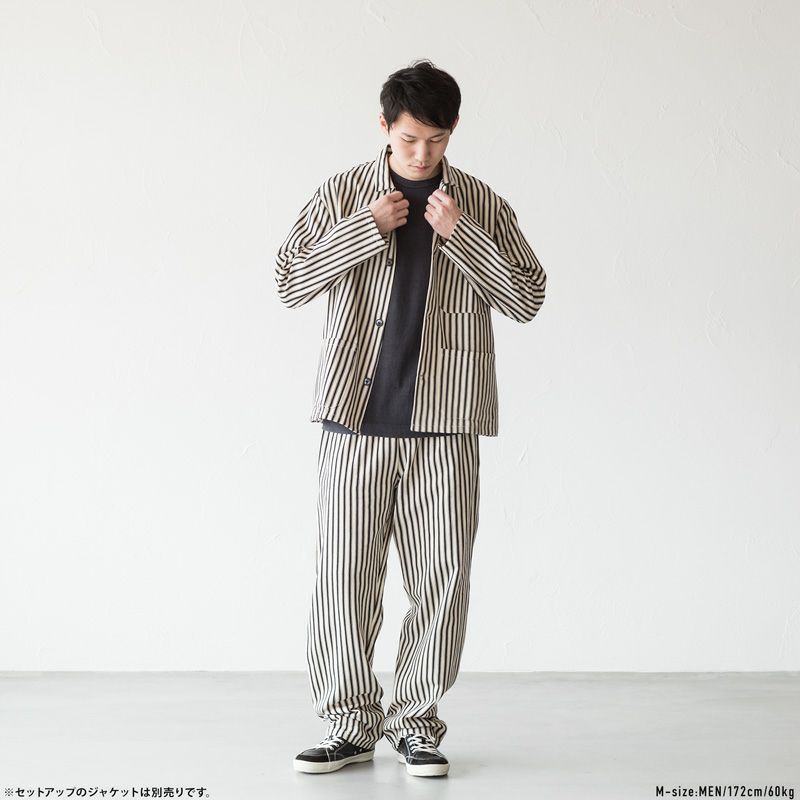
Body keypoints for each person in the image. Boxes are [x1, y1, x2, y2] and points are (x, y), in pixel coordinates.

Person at [274, 59, 547, 778]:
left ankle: (416, 726)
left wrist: (463, 236)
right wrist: (365, 229)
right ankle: (347, 725)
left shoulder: (481, 204)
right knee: (343, 580)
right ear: (384, 126)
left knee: (442, 580)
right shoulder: (343, 194)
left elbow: (527, 297)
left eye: (435, 139)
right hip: (354, 421)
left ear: (452, 131)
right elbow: (288, 279)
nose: (421, 153)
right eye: (407, 138)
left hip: (446, 424)